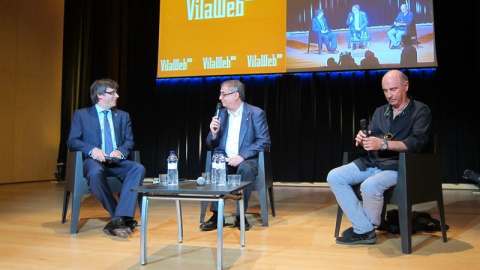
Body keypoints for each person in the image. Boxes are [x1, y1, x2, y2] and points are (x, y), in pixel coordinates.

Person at [327, 70, 431, 245]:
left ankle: (364, 230)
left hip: (398, 166)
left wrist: (383, 144)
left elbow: (417, 142)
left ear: (406, 86)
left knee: (370, 185)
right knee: (335, 176)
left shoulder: (420, 110)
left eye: (393, 89)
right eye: (385, 91)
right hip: (372, 162)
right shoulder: (380, 111)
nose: (389, 95)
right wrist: (363, 139)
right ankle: (365, 229)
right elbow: (372, 136)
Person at [67, 78, 146, 238]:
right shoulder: (82, 115)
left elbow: (129, 141)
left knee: (138, 168)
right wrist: (91, 150)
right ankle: (118, 216)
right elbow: (72, 141)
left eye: (116, 92)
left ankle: (118, 219)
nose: (117, 96)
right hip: (94, 160)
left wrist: (120, 151)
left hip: (116, 160)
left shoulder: (123, 116)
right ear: (100, 95)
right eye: (112, 93)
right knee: (95, 173)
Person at [200, 80, 271, 231]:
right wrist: (213, 134)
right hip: (225, 159)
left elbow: (264, 141)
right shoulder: (221, 115)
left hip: (247, 160)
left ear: (236, 95)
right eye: (220, 94)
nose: (220, 97)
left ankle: (240, 215)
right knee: (218, 168)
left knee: (245, 169)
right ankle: (216, 215)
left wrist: (242, 156)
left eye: (224, 94)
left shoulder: (255, 113)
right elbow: (211, 144)